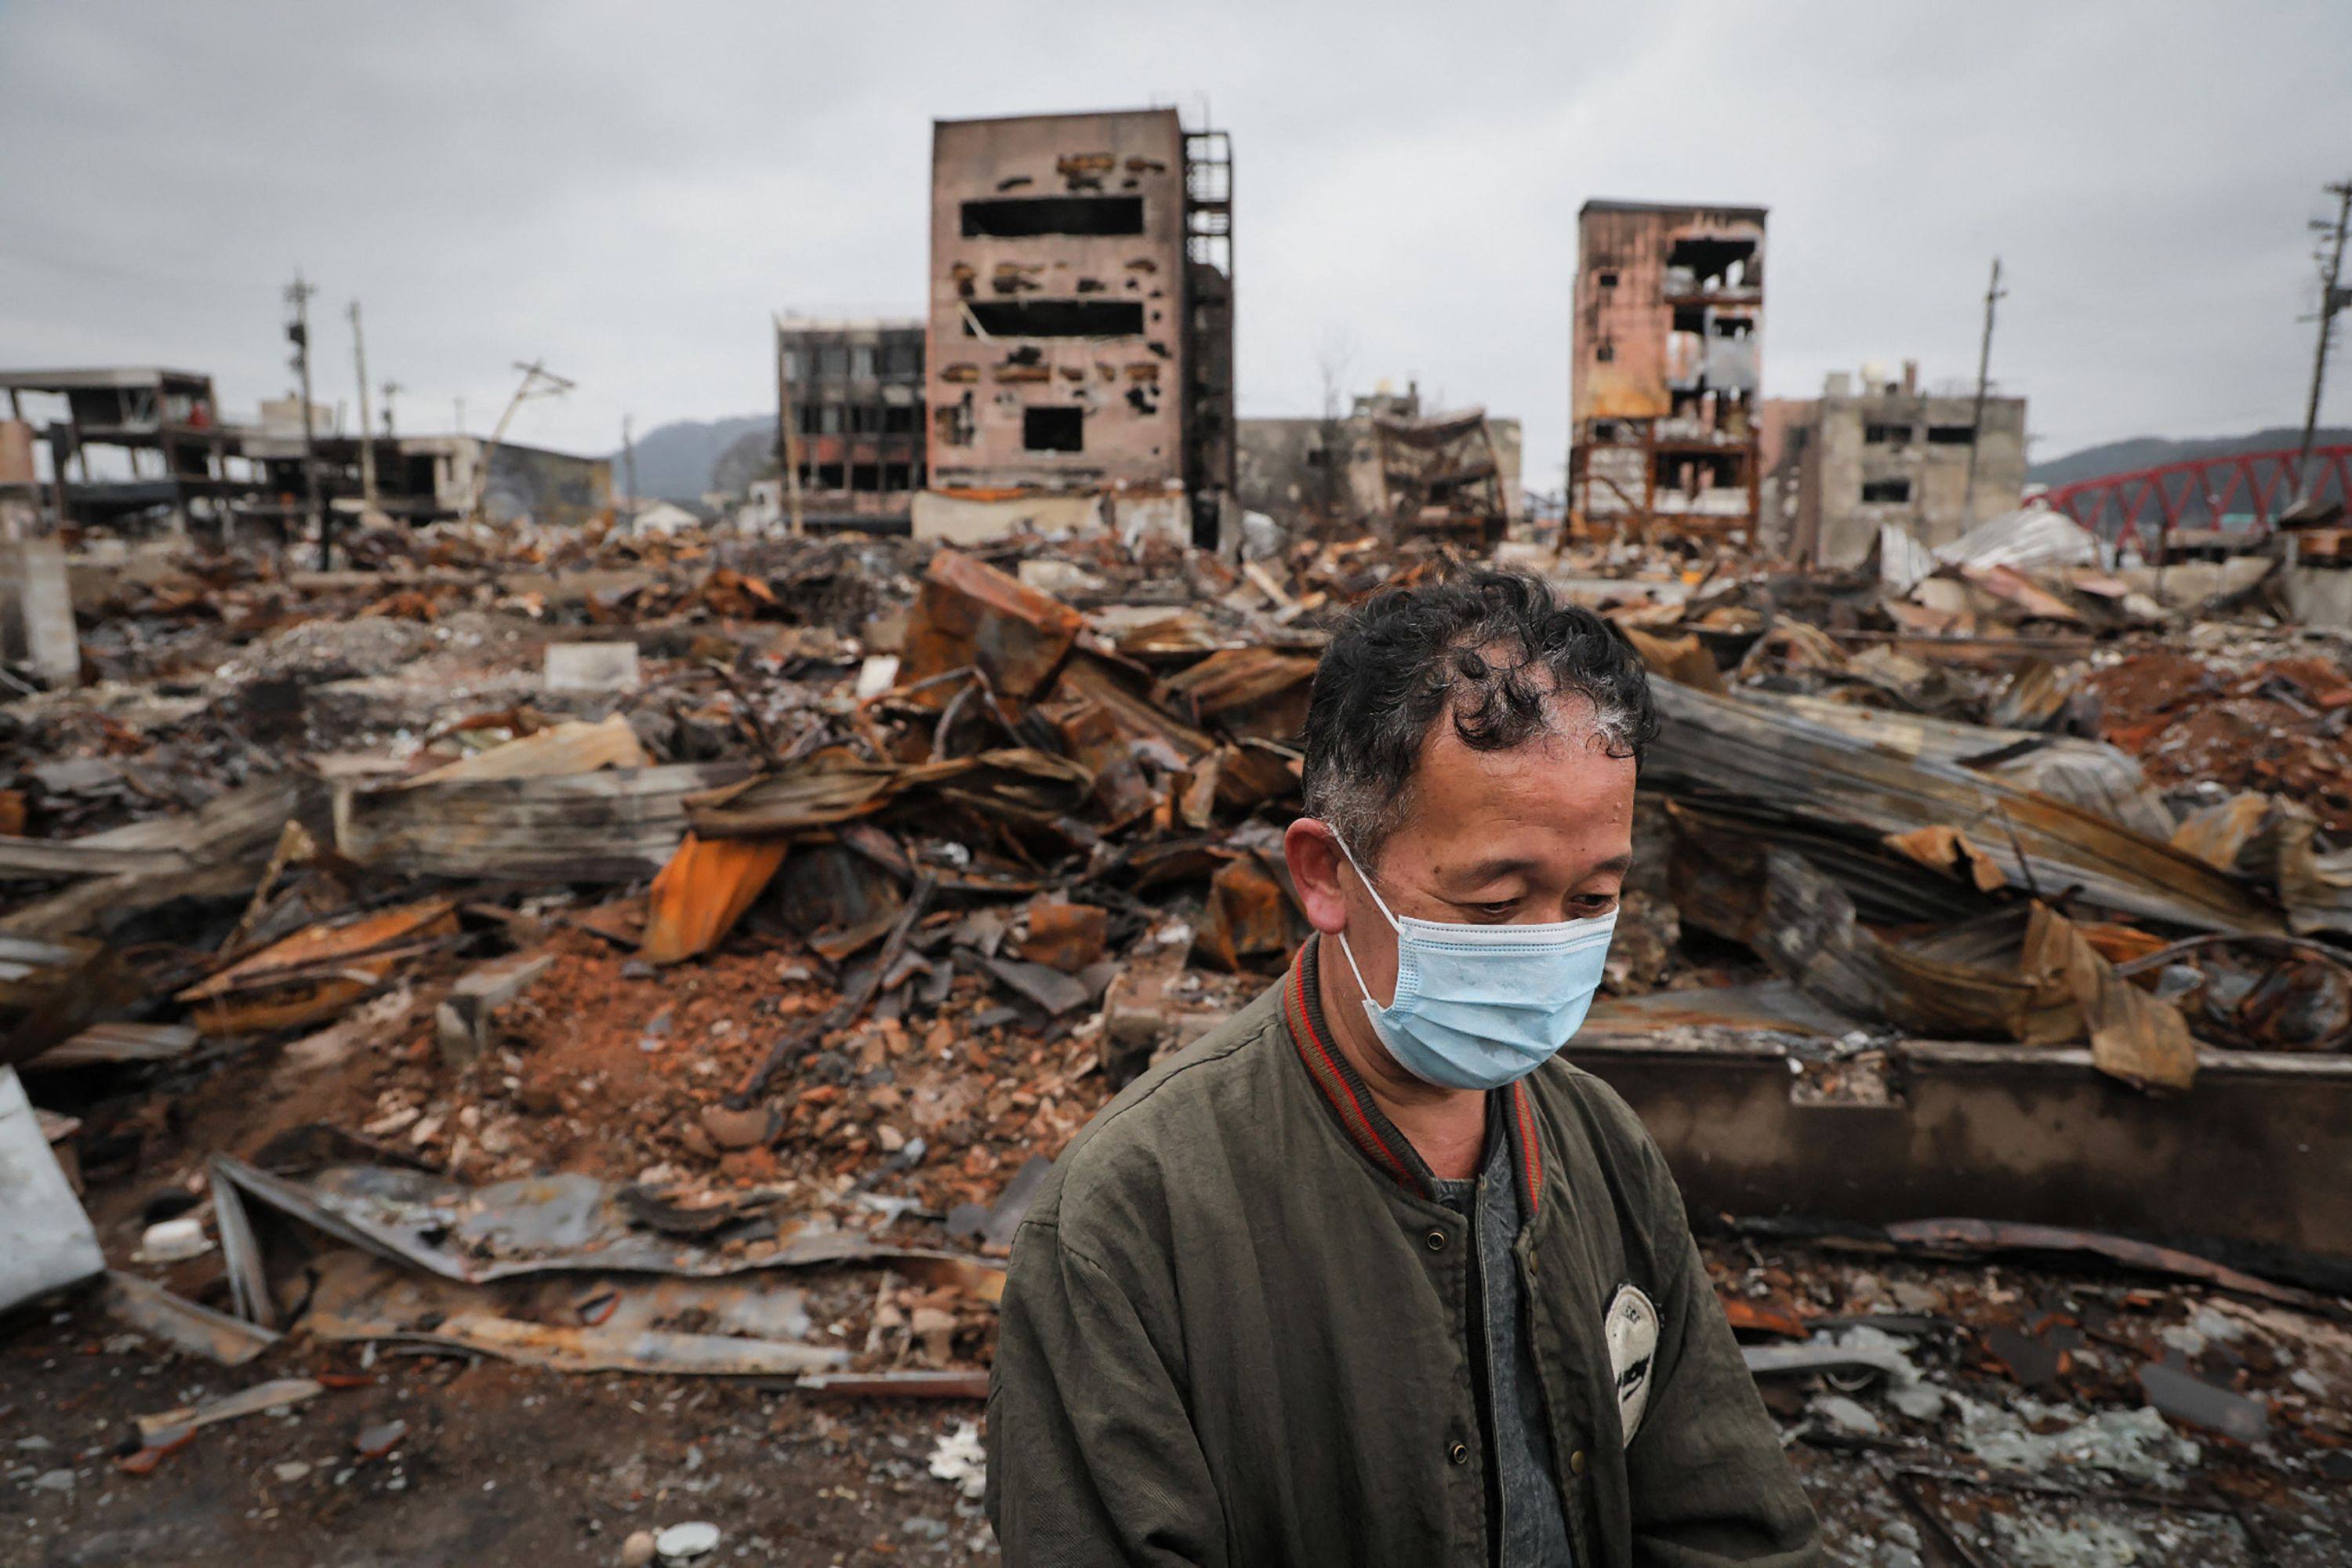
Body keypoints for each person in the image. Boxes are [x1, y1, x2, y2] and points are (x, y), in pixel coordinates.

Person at [986, 571, 1819, 1567]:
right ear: (1327, 874)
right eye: (1495, 903)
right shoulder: (1132, 1220)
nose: (1548, 946)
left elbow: (1726, 1525)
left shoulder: (1605, 1153)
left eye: (1594, 899)